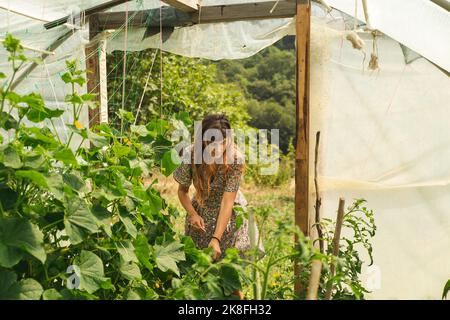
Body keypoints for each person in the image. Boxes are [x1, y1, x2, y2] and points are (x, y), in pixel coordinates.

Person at [173, 114, 249, 299]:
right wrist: (192, 214)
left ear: (228, 140)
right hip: (202, 214)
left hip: (229, 216)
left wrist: (216, 238)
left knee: (229, 277)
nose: (216, 149)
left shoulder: (236, 160)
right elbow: (182, 191)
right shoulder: (191, 154)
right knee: (200, 273)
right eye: (210, 143)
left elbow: (227, 202)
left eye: (221, 143)